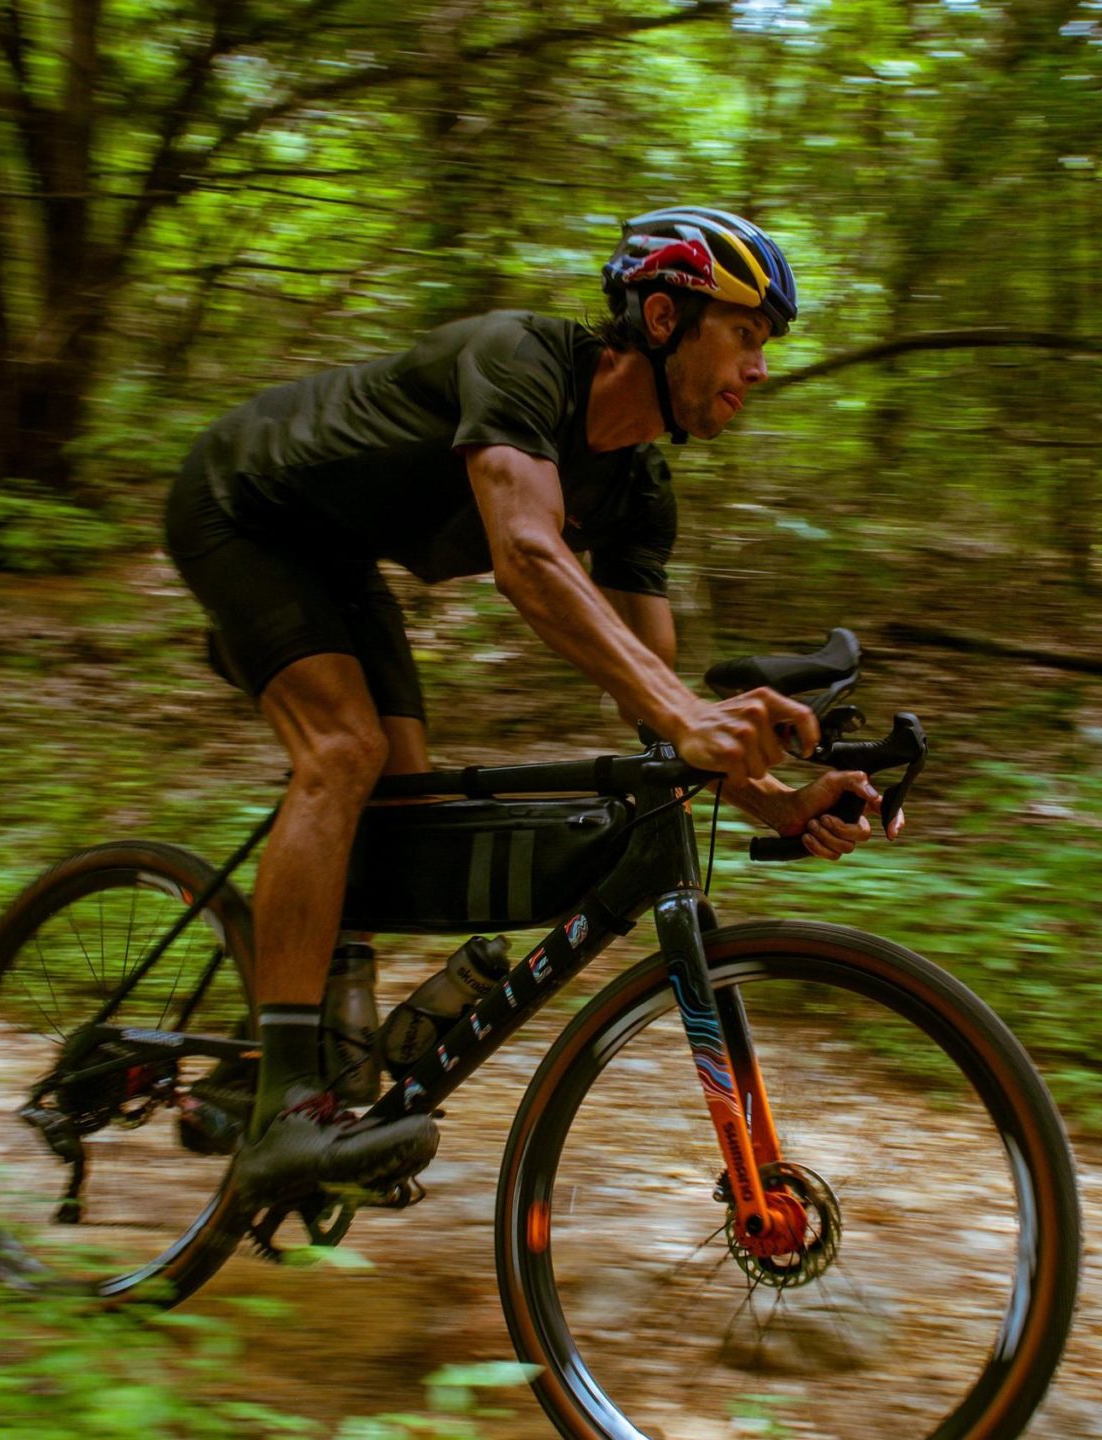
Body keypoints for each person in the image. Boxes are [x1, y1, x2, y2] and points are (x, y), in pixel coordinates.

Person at [161, 206, 899, 1210]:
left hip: (336, 558)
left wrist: (779, 799)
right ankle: (284, 1111)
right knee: (341, 752)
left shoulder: (639, 490)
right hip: (243, 505)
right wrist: (691, 717)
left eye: (764, 343)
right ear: (662, 317)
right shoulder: (524, 361)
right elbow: (526, 553)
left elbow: (653, 694)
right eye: (745, 333)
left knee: (405, 802)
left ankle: (273, 1049)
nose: (759, 367)